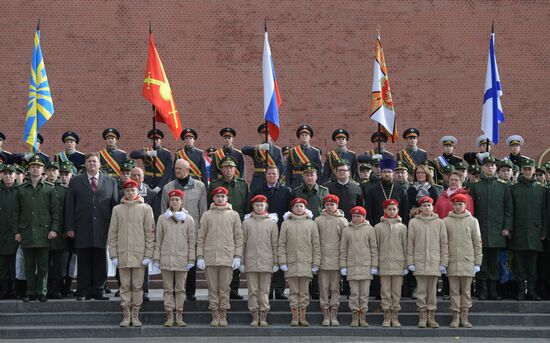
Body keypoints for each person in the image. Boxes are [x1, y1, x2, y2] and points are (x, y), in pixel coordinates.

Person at [65, 152, 118, 301]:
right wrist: (70, 227)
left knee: (100, 259)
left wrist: (114, 229)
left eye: (95, 161)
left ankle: (99, 289)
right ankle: (83, 289)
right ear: (85, 164)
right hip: (82, 226)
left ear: (100, 164)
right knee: (84, 259)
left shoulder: (110, 182)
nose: (92, 164)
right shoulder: (76, 181)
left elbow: (115, 207)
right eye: (89, 162)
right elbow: (70, 206)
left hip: (103, 227)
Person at [108, 180, 155, 327]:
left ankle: (135, 315)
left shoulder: (146, 209)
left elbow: (150, 234)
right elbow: (113, 234)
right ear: (124, 193)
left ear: (137, 192)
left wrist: (148, 254)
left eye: (133, 190)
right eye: (127, 191)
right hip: (123, 254)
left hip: (139, 255)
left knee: (137, 286)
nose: (130, 193)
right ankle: (126, 315)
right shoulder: (117, 210)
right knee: (125, 286)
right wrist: (113, 255)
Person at [15, 154, 60, 302]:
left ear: (43, 170)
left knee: (43, 265)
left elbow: (55, 211)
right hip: (26, 231)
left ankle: (42, 291)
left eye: (39, 167)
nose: (36, 169)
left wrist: (54, 229)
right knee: (28, 264)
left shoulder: (49, 188)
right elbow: (17, 212)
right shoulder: (21, 189)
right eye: (33, 166)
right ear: (29, 169)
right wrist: (17, 231)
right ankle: (30, 291)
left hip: (44, 232)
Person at [161, 158, 207, 301]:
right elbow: (164, 210)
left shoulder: (200, 187)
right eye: (175, 168)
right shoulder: (168, 188)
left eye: (179, 169)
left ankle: (190, 292)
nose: (176, 171)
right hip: (173, 232)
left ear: (187, 170)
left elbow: (203, 210)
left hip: (192, 232)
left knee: (190, 261)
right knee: (174, 262)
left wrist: (201, 232)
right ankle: (175, 291)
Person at [196, 186, 243, 327]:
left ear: (227, 198)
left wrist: (237, 256)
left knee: (224, 289)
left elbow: (239, 237)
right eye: (218, 196)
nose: (220, 198)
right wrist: (200, 256)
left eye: (223, 196)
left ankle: (223, 314)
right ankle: (214, 315)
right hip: (210, 257)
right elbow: (201, 237)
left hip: (227, 257)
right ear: (213, 198)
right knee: (212, 288)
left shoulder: (234, 215)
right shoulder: (207, 215)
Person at [469, 156, 513, 301]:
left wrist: (507, 227)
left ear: (496, 169)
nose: (490, 168)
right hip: (479, 229)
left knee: (494, 262)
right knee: (481, 261)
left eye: (492, 166)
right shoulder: (476, 186)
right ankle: (482, 290)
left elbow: (508, 209)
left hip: (497, 230)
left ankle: (493, 290)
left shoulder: (503, 186)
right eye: (487, 165)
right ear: (482, 168)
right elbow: (471, 209)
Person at [207, 156, 249, 299]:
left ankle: (234, 290)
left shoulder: (243, 184)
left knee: (235, 257)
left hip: (238, 223)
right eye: (226, 167)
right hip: (218, 224)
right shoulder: (214, 185)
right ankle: (217, 290)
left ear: (235, 170)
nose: (229, 170)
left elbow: (247, 205)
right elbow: (209, 204)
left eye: (231, 167)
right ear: (221, 170)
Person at [153, 189, 195, 327]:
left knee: (180, 289)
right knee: (168, 289)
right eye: (172, 200)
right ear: (169, 201)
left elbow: (191, 241)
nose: (175, 202)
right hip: (166, 258)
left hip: (182, 259)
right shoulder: (162, 218)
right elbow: (158, 240)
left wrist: (191, 259)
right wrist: (156, 258)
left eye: (177, 199)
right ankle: (169, 315)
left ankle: (179, 315)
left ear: (181, 201)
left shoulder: (188, 219)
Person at [249, 165, 292, 300]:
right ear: (265, 175)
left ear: (278, 176)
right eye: (269, 174)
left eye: (274, 174)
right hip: (261, 229)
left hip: (280, 229)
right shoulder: (258, 191)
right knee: (265, 259)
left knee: (279, 259)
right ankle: (266, 290)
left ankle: (279, 289)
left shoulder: (286, 191)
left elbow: (289, 211)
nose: (272, 176)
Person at [407, 196, 448, 328]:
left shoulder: (440, 223)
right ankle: (422, 316)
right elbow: (410, 244)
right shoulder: (413, 223)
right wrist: (410, 262)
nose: (426, 208)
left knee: (432, 291)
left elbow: (444, 243)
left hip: (434, 261)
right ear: (420, 208)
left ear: (433, 207)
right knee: (421, 291)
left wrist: (443, 262)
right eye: (424, 205)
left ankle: (431, 316)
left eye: (429, 205)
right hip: (419, 261)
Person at [278, 197, 320, 327]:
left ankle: (303, 316)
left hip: (306, 263)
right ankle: (295, 316)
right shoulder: (286, 224)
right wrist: (282, 261)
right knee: (293, 291)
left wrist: (316, 263)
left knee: (304, 292)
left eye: (301, 206)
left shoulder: (311, 224)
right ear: (292, 208)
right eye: (296, 206)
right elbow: (282, 244)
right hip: (291, 263)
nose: (299, 208)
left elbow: (316, 245)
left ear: (305, 208)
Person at [510, 158, 546, 301]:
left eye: (529, 169)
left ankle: (531, 290)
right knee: (519, 264)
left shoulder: (541, 189)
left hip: (535, 233)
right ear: (521, 170)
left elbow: (544, 212)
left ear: (534, 171)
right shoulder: (514, 188)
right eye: (524, 169)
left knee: (532, 264)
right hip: (518, 232)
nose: (527, 171)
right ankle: (520, 291)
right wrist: (510, 229)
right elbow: (510, 211)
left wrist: (543, 231)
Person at [444, 193, 482, 328]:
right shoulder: (446, 221)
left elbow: (477, 242)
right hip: (452, 260)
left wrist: (478, 262)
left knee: (466, 291)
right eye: (455, 204)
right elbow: (444, 243)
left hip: (467, 260)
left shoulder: (472, 221)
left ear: (465, 205)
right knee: (454, 290)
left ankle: (465, 317)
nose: (458, 207)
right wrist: (444, 261)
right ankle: (455, 317)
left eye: (460, 204)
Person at [241, 194, 279, 327]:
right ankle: (254, 315)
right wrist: (241, 261)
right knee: (252, 290)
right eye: (257, 205)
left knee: (264, 290)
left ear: (266, 206)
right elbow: (242, 243)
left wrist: (276, 262)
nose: (259, 207)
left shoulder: (271, 223)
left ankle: (263, 315)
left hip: (266, 261)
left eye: (261, 205)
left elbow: (275, 244)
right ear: (253, 206)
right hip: (251, 260)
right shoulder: (246, 223)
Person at [292, 162, 328, 299]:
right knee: (304, 257)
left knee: (318, 257)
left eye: (312, 174)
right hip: (301, 229)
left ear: (316, 176)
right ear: (303, 177)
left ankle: (316, 289)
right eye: (307, 175)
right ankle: (305, 288)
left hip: (319, 229)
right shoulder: (297, 191)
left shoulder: (324, 191)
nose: (309, 177)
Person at [340, 206, 378, 327]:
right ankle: (355, 316)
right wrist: (343, 266)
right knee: (354, 293)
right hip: (352, 266)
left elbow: (374, 249)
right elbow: (343, 249)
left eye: (358, 216)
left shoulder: (370, 230)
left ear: (364, 217)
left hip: (366, 266)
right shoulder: (347, 230)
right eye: (354, 216)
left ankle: (363, 317)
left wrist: (374, 265)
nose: (356, 218)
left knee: (364, 293)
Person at [314, 194, 347, 326]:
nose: (329, 207)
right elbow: (315, 241)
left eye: (332, 204)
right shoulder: (318, 220)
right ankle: (325, 314)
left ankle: (334, 313)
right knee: (323, 288)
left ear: (337, 206)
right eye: (327, 204)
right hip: (322, 260)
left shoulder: (342, 221)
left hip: (336, 261)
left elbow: (345, 242)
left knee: (335, 288)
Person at [375, 199, 408, 327]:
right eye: (389, 209)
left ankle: (395, 316)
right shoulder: (378, 227)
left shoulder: (402, 227)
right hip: (383, 264)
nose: (392, 211)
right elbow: (375, 247)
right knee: (385, 291)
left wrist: (406, 264)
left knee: (396, 292)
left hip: (398, 264)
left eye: (394, 209)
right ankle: (386, 316)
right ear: (384, 210)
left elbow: (406, 247)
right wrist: (375, 264)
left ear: (398, 210)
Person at [47, 162, 73, 299]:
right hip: (43, 232)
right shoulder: (43, 188)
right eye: (49, 170)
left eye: (54, 171)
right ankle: (45, 288)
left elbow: (66, 212)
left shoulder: (64, 190)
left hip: (59, 234)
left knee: (58, 263)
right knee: (45, 263)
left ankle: (56, 289)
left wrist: (65, 229)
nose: (52, 173)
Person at [365, 158, 410, 226]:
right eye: (384, 172)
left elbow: (405, 211)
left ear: (393, 173)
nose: (387, 174)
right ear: (381, 173)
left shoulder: (401, 190)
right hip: (378, 227)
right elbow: (369, 212)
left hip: (397, 227)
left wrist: (404, 226)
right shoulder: (372, 191)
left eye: (389, 172)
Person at [242, 124, 284, 193]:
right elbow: (244, 150)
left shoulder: (277, 150)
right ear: (260, 135)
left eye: (269, 134)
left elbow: (281, 168)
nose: (267, 136)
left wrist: (276, 179)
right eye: (264, 133)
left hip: (272, 178)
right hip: (258, 179)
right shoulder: (257, 149)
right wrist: (260, 147)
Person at [0, 165, 20, 299]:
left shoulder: (21, 191)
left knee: (15, 263)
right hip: (1, 233)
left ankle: (14, 289)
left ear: (15, 175)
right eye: (5, 173)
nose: (8, 176)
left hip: (16, 233)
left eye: (10, 173)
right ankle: (3, 289)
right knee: (2, 263)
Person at [286, 125, 323, 189]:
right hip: (296, 181)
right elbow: (288, 170)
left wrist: (319, 185)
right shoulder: (292, 151)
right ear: (299, 137)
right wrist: (288, 185)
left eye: (306, 135)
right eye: (302, 135)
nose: (304, 137)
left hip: (311, 181)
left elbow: (319, 170)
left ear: (310, 137)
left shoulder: (316, 152)